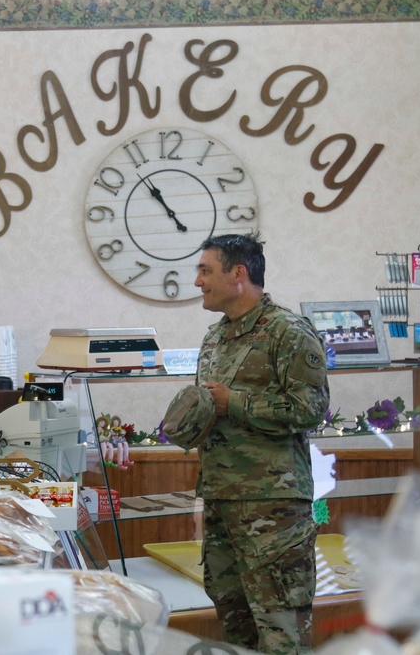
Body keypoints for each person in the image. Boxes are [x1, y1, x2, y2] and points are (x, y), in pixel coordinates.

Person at [163, 233, 330, 655]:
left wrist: (233, 402)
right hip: (221, 499)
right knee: (235, 624)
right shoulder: (215, 337)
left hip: (272, 507)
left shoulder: (287, 332)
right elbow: (211, 409)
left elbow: (310, 408)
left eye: (205, 270)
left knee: (280, 629)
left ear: (239, 274)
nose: (198, 281)